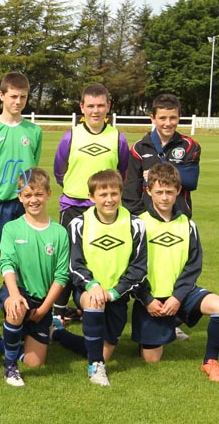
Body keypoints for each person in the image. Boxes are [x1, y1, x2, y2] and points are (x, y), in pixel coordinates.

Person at [131, 162, 219, 382]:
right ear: (148, 191)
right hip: (152, 299)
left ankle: (210, 361)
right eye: (159, 192)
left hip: (182, 294)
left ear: (178, 191)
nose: (165, 197)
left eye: (169, 191)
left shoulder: (187, 224)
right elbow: (131, 268)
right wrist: (147, 299)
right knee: (151, 359)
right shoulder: (138, 224)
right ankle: (154, 331)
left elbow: (193, 264)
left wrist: (178, 296)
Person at [51, 169, 146, 387]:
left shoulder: (135, 224)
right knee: (94, 304)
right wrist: (92, 285)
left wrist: (114, 292)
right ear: (91, 197)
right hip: (88, 291)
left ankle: (58, 335)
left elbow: (139, 268)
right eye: (103, 195)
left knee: (103, 350)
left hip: (117, 295)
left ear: (121, 194)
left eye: (114, 193)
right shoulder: (78, 224)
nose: (109, 199)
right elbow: (74, 264)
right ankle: (95, 367)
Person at [52, 83, 130, 321]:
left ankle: (97, 303)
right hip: (73, 206)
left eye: (100, 105)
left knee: (99, 256)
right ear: (82, 107)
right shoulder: (71, 136)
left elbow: (122, 172)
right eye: (91, 106)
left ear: (108, 107)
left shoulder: (118, 138)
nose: (96, 111)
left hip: (104, 210)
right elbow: (59, 171)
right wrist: (75, 189)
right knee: (66, 260)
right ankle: (58, 311)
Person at [0, 72, 42, 338]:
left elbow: (33, 167)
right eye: (13, 96)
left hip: (25, 204)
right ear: (2, 96)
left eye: (23, 97)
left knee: (23, 258)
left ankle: (19, 312)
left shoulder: (34, 131)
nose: (18, 101)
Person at [0, 168, 69, 387]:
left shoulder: (59, 232)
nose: (33, 200)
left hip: (42, 301)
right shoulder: (11, 228)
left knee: (35, 362)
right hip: (17, 291)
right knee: (16, 307)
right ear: (19, 197)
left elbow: (61, 275)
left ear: (48, 194)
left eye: (38, 194)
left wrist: (45, 309)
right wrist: (15, 296)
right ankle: (10, 367)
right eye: (27, 195)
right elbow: (6, 263)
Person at [123, 93, 201, 218]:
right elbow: (131, 191)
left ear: (179, 117)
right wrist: (141, 217)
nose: (168, 123)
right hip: (147, 219)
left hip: (179, 218)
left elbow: (191, 181)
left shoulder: (190, 145)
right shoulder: (139, 148)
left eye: (173, 118)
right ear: (153, 118)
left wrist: (154, 173)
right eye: (162, 118)